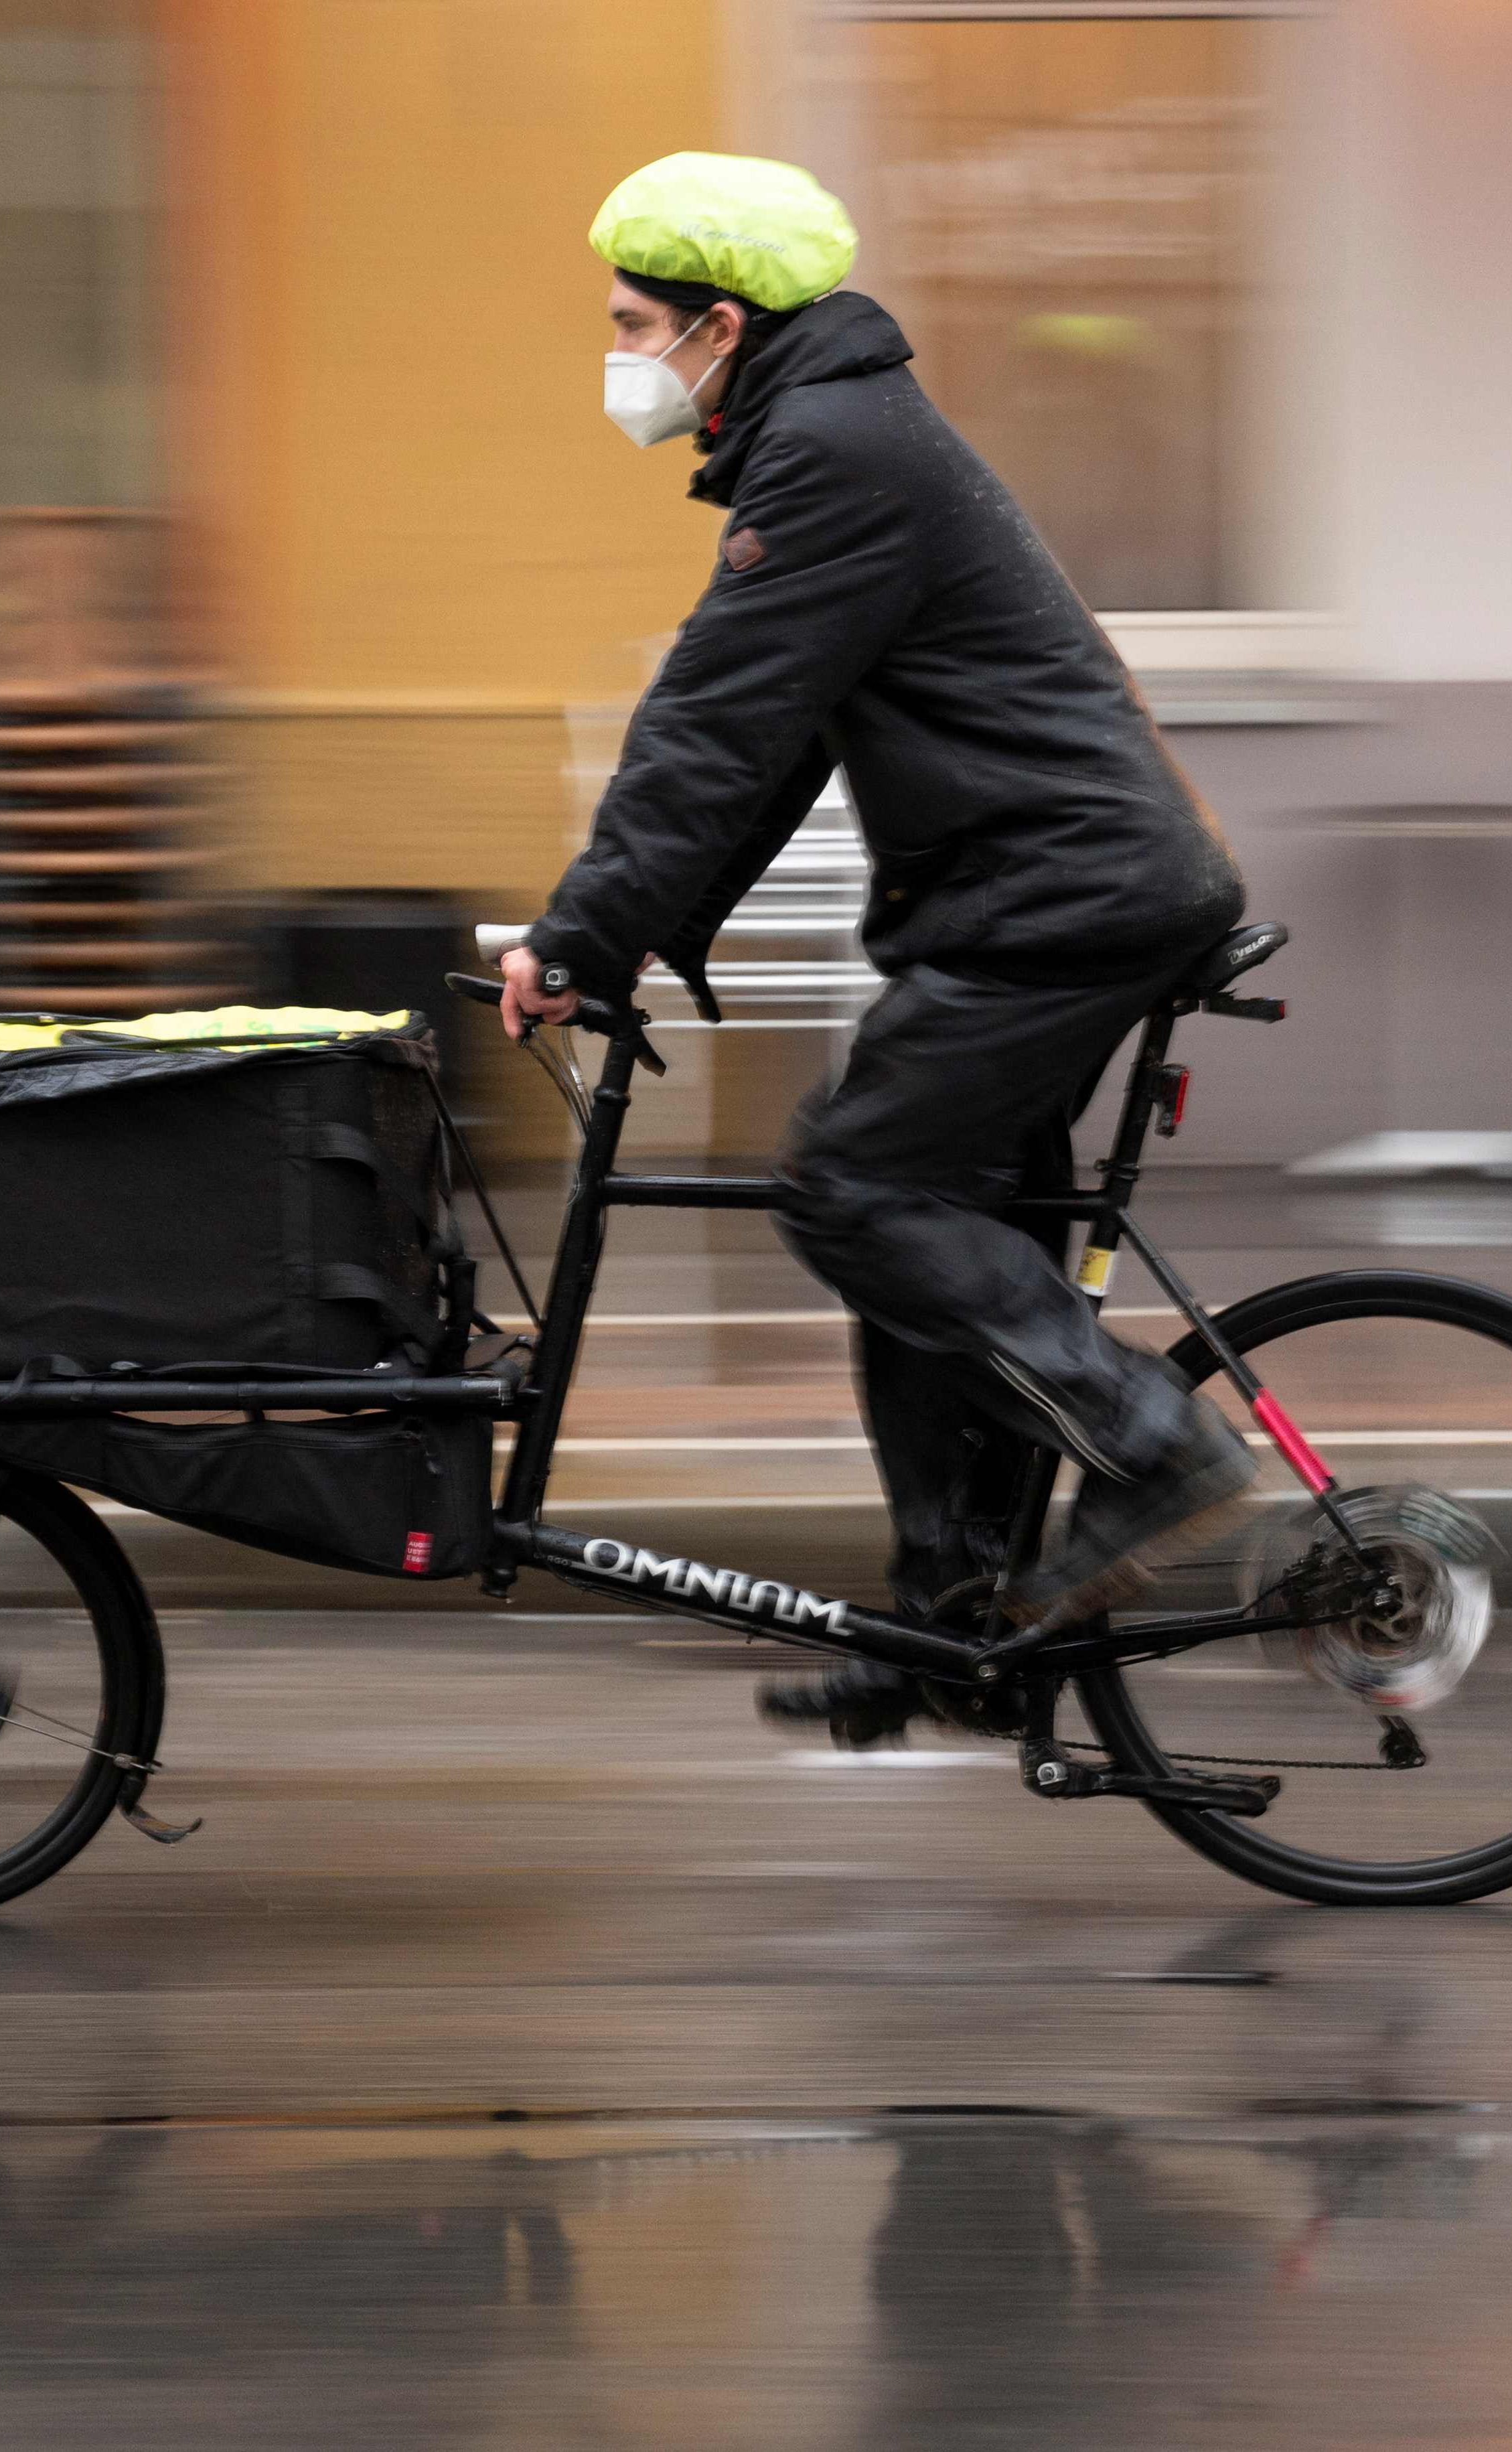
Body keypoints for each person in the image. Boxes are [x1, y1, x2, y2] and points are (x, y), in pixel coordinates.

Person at [500, 151, 1254, 1743]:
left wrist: (582, 933)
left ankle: (1149, 1436)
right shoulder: (833, 433)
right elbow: (770, 744)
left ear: (721, 323)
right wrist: (634, 941)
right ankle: (956, 1626)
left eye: (634, 322)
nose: (621, 354)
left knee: (848, 1187)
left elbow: (706, 723)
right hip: (1035, 897)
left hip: (1059, 901)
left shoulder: (833, 453)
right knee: (922, 1232)